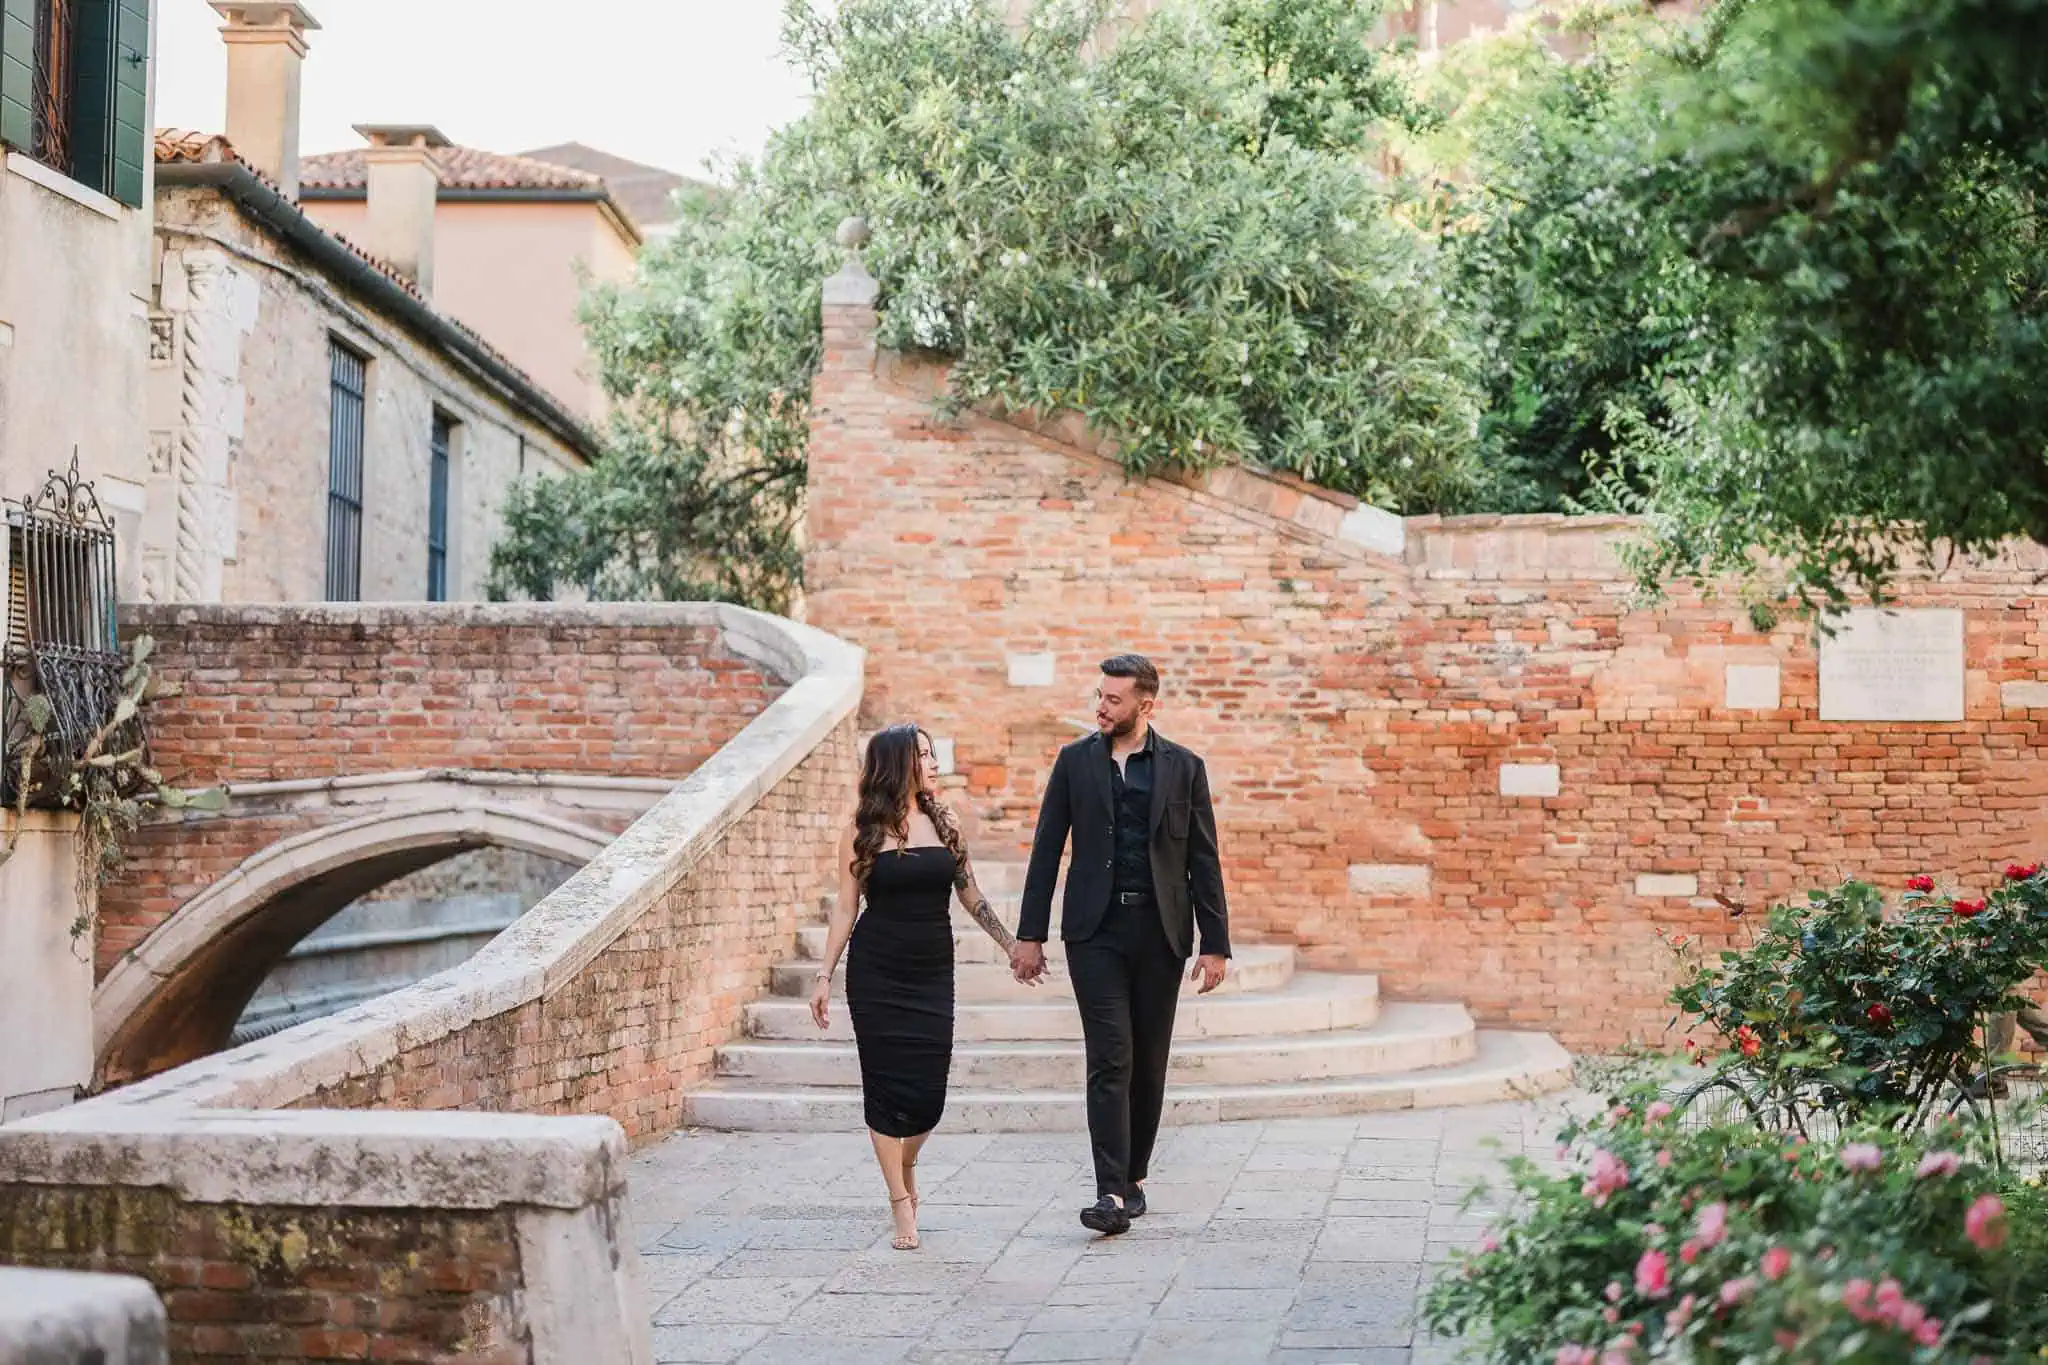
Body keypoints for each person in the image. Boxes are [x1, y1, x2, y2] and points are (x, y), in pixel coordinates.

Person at [1010, 653, 1230, 1236]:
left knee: (1149, 1061)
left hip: (1161, 933)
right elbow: (1046, 848)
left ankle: (1133, 1176)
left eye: (1113, 699)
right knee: (1111, 1055)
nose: (1101, 707)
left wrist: (1216, 943)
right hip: (1095, 933)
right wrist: (1028, 935)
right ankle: (1108, 1189)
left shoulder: (1184, 768)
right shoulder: (1074, 763)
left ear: (1145, 705)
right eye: (1099, 696)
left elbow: (1203, 860)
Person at [810, 723, 1021, 1251]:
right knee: (883, 1087)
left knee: (929, 1093)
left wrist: (1010, 944)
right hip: (877, 969)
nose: (932, 761)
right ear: (896, 763)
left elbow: (970, 893)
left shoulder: (945, 820)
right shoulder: (863, 830)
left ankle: (906, 1166)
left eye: (931, 753)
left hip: (931, 969)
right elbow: (844, 907)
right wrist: (822, 976)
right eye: (923, 754)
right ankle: (901, 1203)